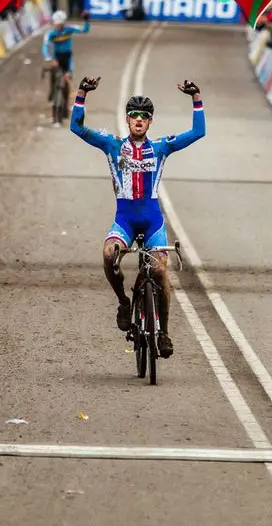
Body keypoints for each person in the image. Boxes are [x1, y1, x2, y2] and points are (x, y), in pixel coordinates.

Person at [69, 75, 205, 358]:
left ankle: (164, 333)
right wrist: (82, 93)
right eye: (134, 116)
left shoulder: (161, 147)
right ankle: (122, 301)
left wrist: (196, 98)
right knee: (108, 255)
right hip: (125, 221)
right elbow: (76, 127)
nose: (139, 120)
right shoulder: (112, 145)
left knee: (158, 271)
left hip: (153, 221)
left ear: (151, 121)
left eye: (144, 116)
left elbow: (197, 132)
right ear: (128, 119)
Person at [41, 10, 90, 126]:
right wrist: (49, 58)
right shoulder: (50, 34)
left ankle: (64, 111)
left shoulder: (69, 29)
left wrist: (86, 20)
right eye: (57, 24)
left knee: (66, 85)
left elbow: (85, 30)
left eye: (61, 24)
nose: (59, 26)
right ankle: (54, 111)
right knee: (56, 86)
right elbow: (45, 47)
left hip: (67, 60)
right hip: (56, 61)